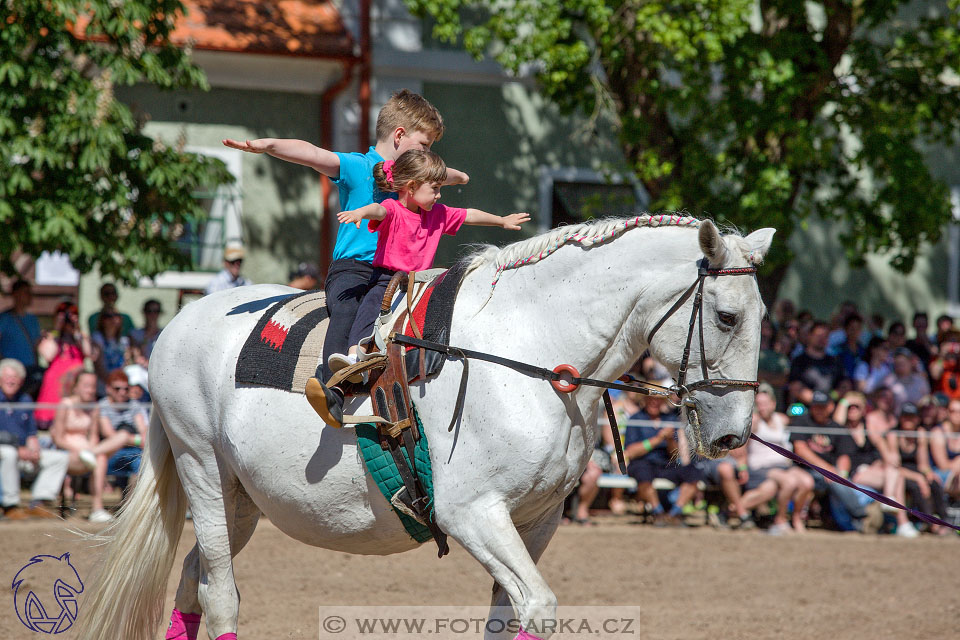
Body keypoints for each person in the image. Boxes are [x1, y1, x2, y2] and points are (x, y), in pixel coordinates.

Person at [223, 89, 469, 384]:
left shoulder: (413, 180)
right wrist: (269, 145)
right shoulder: (359, 168)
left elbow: (449, 175)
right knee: (348, 308)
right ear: (399, 135)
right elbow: (313, 154)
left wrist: (452, 176)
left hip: (392, 274)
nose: (427, 153)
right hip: (355, 268)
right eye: (424, 145)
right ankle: (332, 383)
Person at [308, 149, 529, 427]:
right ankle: (354, 358)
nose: (439, 195)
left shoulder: (437, 214)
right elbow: (378, 210)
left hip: (420, 284)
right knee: (369, 309)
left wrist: (501, 221)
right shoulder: (394, 209)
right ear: (411, 187)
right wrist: (361, 212)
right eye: (435, 189)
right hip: (387, 279)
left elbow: (469, 214)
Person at [789, 391, 882, 533]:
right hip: (804, 470)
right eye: (816, 406)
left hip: (829, 474)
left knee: (838, 481)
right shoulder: (802, 421)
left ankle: (852, 521)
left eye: (823, 406)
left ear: (831, 407)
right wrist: (826, 469)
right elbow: (800, 450)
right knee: (834, 480)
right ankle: (860, 514)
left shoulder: (837, 427)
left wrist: (841, 473)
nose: (819, 410)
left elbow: (844, 455)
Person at [833, 392, 918, 538]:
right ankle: (901, 521)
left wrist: (887, 459)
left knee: (895, 471)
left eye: (857, 407)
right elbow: (837, 420)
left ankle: (891, 504)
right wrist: (845, 401)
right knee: (897, 476)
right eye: (850, 407)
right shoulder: (841, 428)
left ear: (864, 409)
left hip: (871, 471)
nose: (852, 410)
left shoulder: (867, 426)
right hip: (853, 474)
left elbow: (879, 442)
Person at [740, 384, 814, 534]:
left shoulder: (781, 419)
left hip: (783, 465)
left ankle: (796, 517)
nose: (762, 407)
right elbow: (742, 448)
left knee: (807, 481)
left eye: (765, 403)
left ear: (773, 404)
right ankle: (780, 520)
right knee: (789, 482)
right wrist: (742, 466)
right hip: (762, 465)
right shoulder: (754, 421)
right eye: (758, 404)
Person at [0, 359, 68, 519]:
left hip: (22, 452)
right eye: (7, 376)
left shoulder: (25, 400)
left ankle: (38, 503)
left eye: (15, 377)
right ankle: (10, 505)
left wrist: (34, 449)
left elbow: (31, 434)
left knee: (60, 458)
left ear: (21, 381)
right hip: (6, 451)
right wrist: (19, 450)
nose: (11, 380)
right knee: (9, 453)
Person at [624, 395, 703, 526]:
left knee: (694, 472)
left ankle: (675, 513)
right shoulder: (636, 419)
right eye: (651, 399)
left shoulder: (670, 419)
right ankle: (658, 512)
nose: (654, 402)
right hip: (643, 462)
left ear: (663, 401)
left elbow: (674, 453)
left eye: (658, 399)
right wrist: (658, 439)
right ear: (644, 400)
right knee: (642, 473)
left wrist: (670, 439)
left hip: (665, 463)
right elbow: (631, 452)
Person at [50, 371, 113, 523]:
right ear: (76, 387)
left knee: (101, 457)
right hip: (67, 453)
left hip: (88, 453)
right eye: (86, 386)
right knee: (100, 457)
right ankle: (95, 507)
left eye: (93, 386)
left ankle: (97, 508)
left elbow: (93, 436)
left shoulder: (94, 407)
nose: (91, 390)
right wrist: (79, 451)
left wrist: (89, 450)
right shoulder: (65, 404)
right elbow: (58, 438)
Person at [34, 301, 97, 430]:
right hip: (54, 388)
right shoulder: (50, 337)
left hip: (74, 390)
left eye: (74, 314)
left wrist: (77, 329)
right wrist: (57, 327)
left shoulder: (80, 338)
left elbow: (89, 353)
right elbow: (48, 355)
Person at [888, 402, 949, 534]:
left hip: (916, 470)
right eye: (905, 416)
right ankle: (930, 524)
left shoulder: (920, 433)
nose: (908, 420)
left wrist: (928, 474)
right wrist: (919, 478)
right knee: (916, 486)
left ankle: (944, 521)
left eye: (912, 416)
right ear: (900, 417)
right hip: (901, 473)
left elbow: (923, 464)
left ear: (917, 418)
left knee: (934, 483)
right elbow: (894, 466)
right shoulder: (894, 434)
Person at [97, 369, 148, 501]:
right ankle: (97, 507)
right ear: (108, 388)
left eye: (126, 389)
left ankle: (130, 505)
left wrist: (125, 438)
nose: (122, 392)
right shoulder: (102, 406)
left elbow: (145, 435)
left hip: (132, 452)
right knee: (100, 460)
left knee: (143, 462)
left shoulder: (134, 405)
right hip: (110, 453)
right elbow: (109, 434)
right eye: (117, 388)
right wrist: (133, 438)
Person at [787, 321, 847, 405]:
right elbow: (795, 387)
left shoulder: (835, 361)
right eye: (818, 336)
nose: (822, 339)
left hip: (831, 408)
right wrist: (818, 401)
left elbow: (845, 384)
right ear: (809, 336)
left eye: (825, 336)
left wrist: (831, 397)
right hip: (805, 410)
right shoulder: (799, 361)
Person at [0, 279, 42, 376]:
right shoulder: (4, 318)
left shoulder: (33, 319)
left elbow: (36, 345)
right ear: (16, 294)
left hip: (29, 370)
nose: (29, 296)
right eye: (26, 292)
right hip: (10, 371)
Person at [92, 310, 131, 393]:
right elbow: (98, 365)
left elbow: (126, 363)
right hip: (103, 387)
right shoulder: (97, 338)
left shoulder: (124, 341)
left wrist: (119, 385)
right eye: (108, 316)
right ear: (102, 320)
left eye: (116, 316)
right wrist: (111, 384)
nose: (113, 319)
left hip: (120, 389)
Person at [929, 397, 960, 499]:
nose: (957, 414)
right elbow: (943, 465)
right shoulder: (938, 432)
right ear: (947, 412)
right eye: (953, 411)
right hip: (939, 475)